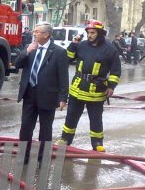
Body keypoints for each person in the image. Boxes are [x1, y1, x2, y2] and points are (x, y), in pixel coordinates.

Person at [56, 20, 121, 151]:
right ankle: (65, 139)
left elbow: (116, 70)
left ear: (100, 33)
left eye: (93, 33)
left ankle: (97, 144)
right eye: (88, 32)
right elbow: (68, 59)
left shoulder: (110, 49)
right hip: (77, 89)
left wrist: (111, 86)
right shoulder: (82, 45)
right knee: (71, 116)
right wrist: (73, 44)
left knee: (96, 119)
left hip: (96, 91)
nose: (89, 35)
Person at [15, 23, 69, 163]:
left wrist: (63, 97)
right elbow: (17, 64)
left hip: (47, 95)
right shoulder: (30, 47)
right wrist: (26, 51)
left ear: (46, 35)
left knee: (45, 129)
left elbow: (63, 76)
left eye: (37, 31)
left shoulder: (59, 52)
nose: (34, 33)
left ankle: (43, 158)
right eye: (34, 31)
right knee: (26, 126)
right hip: (29, 93)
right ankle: (23, 156)